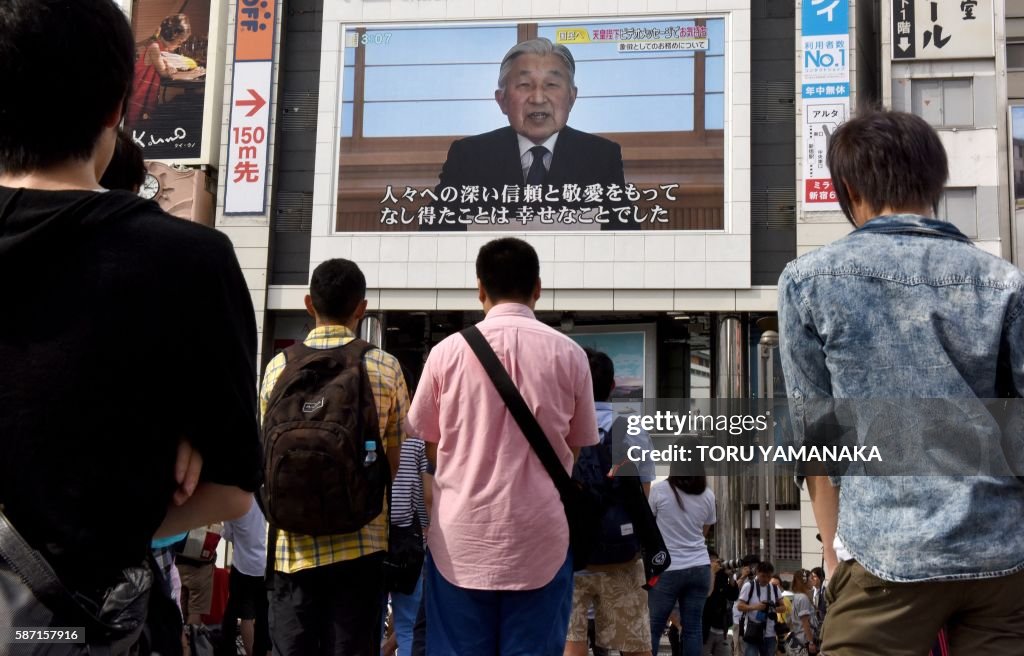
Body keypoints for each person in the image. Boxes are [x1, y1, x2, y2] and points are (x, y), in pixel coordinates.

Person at [0, 0, 259, 648]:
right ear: (119, 107)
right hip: (79, 623)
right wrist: (130, 491)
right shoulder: (190, 261)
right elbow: (231, 491)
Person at [778, 108, 1024, 656]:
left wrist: (835, 555)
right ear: (936, 182)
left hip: (888, 557)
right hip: (1001, 556)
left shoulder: (809, 280)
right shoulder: (1005, 282)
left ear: (847, 188)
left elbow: (816, 437)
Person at [405, 237, 599, 654]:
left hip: (459, 541)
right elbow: (576, 447)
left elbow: (430, 446)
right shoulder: (570, 355)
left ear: (480, 288)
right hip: (541, 539)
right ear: (538, 288)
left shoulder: (445, 354)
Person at [260, 258, 408, 656]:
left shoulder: (278, 368)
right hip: (362, 544)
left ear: (309, 303)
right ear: (361, 307)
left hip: (292, 548)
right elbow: (395, 464)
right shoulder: (384, 366)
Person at [426, 38, 635, 231]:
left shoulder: (601, 157)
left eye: (551, 85)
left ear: (572, 98)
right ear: (502, 100)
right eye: (524, 85)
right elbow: (434, 238)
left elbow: (625, 242)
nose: (537, 98)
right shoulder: (468, 157)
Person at [565, 348, 657, 656]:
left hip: (572, 557)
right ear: (613, 385)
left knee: (571, 642)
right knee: (634, 645)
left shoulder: (563, 428)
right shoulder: (633, 429)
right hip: (623, 558)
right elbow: (642, 496)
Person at [647, 464, 716, 656]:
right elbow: (704, 531)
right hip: (700, 566)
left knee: (654, 627)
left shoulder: (659, 490)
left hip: (668, 567)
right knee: (693, 628)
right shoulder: (708, 494)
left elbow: (649, 528)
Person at [126, 14, 205, 125]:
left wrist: (191, 72)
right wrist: (192, 74)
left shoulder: (161, 48)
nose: (179, 46)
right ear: (174, 35)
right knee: (134, 123)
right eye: (180, 42)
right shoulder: (155, 48)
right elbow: (165, 74)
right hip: (137, 96)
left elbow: (170, 72)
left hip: (147, 96)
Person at [219, 502, 270, 656]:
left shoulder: (236, 502)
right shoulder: (267, 498)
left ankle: (231, 650)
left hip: (242, 565)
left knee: (239, 612)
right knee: (264, 615)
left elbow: (227, 534)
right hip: (265, 566)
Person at [735, 562, 783, 656]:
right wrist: (756, 607)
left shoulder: (774, 588)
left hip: (770, 632)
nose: (766, 579)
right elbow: (740, 606)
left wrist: (773, 609)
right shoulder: (749, 586)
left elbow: (783, 607)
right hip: (753, 631)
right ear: (757, 572)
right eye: (763, 576)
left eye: (769, 576)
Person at [701, 551, 739, 656]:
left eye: (716, 560)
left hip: (721, 628)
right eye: (711, 560)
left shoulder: (722, 576)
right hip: (706, 628)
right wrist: (712, 573)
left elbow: (733, 596)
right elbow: (707, 594)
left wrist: (731, 577)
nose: (715, 563)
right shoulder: (702, 574)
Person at [782, 571, 817, 656]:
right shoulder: (803, 598)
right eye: (811, 578)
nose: (812, 581)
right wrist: (811, 642)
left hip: (798, 637)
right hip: (805, 640)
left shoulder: (797, 596)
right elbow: (805, 622)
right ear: (804, 581)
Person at [807, 567, 826, 637]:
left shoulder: (826, 593)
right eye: (811, 577)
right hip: (810, 630)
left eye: (814, 576)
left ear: (822, 578)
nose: (812, 579)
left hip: (823, 629)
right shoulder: (809, 593)